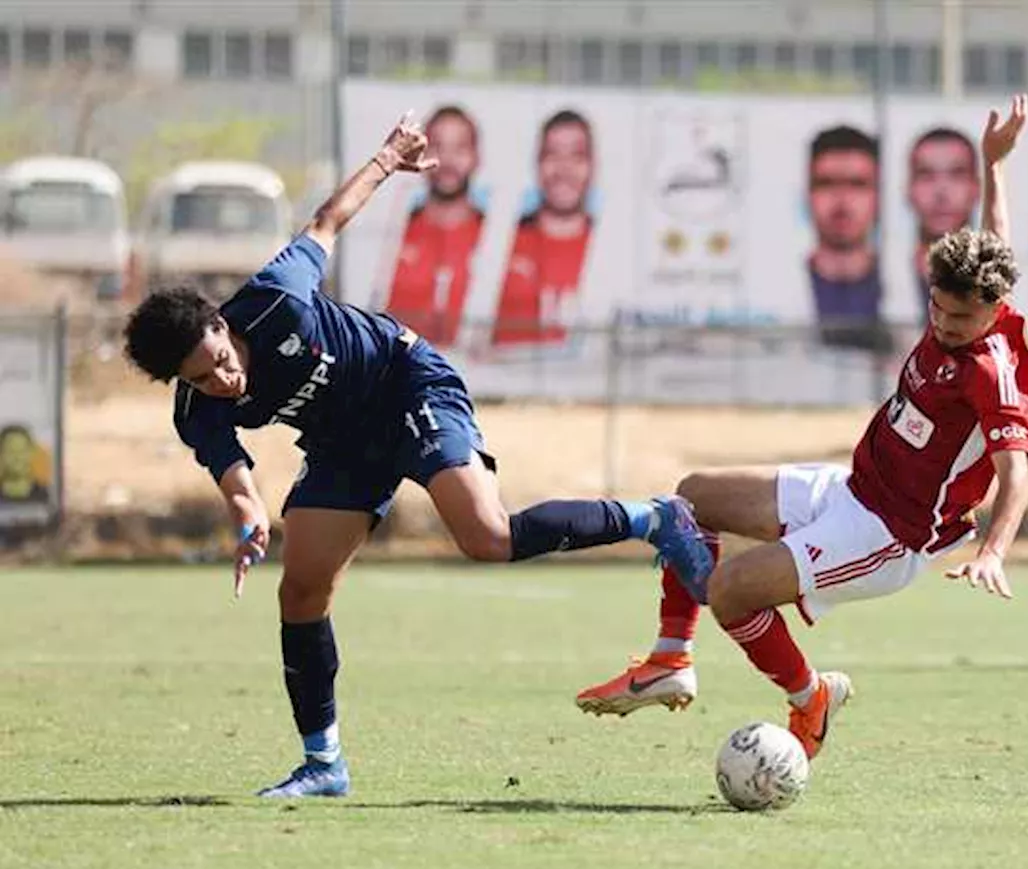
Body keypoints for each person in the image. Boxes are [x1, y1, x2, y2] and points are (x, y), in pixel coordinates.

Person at [122, 112, 713, 798]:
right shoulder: (198, 406)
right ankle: (323, 764)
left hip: (406, 384)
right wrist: (249, 513)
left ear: (222, 325)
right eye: (201, 377)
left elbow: (326, 222)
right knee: (302, 589)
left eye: (220, 361)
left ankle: (656, 518)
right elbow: (231, 467)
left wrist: (387, 158)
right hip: (343, 441)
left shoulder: (275, 299)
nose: (222, 380)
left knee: (487, 537)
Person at [577, 96, 1028, 760]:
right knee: (692, 495)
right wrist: (995, 165)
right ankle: (670, 658)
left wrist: (994, 550)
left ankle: (809, 698)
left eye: (958, 319)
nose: (942, 325)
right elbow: (998, 240)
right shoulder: (977, 295)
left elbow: (1016, 472)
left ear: (991, 312)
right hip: (850, 489)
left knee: (731, 590)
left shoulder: (991, 375)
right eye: (936, 308)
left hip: (889, 534)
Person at [383, 105, 485, 348]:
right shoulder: (394, 234)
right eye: (438, 146)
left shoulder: (495, 238)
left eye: (459, 148)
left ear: (476, 157)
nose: (447, 160)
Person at [492, 109, 594, 347]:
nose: (563, 169)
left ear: (593, 165)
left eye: (577, 156)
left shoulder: (608, 248)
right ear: (537, 162)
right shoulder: (503, 242)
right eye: (552, 155)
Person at [805, 125, 890, 353]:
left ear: (878, 195)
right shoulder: (777, 291)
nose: (842, 201)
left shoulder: (906, 290)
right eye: (826, 183)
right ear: (807, 194)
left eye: (857, 184)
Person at [908, 128, 981, 320]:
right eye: (926, 175)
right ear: (908, 189)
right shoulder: (880, 283)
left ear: (976, 188)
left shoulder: (992, 277)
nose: (941, 192)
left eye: (957, 175)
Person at [0, 424, 50, 505]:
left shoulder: (45, 496)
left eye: (22, 451)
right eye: (10, 451)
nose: (17, 457)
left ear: (31, 453)